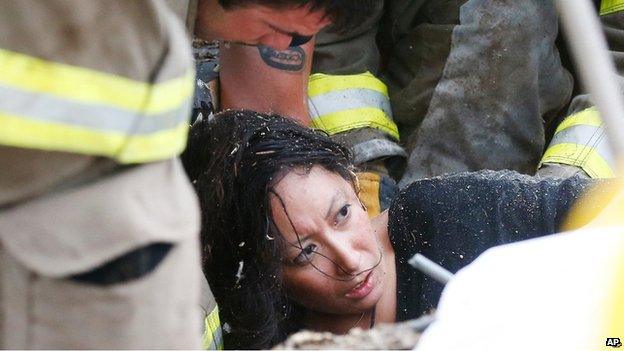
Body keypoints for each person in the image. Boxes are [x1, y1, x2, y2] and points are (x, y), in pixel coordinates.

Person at [0, 0, 368, 348]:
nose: (272, 47)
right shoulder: (117, 34)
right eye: (303, 253)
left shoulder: (153, 37)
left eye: (299, 39)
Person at [181, 109, 599, 349]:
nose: (349, 259)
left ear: (351, 181)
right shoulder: (268, 338)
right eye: (305, 253)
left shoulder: (449, 215)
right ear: (265, 278)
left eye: (342, 214)